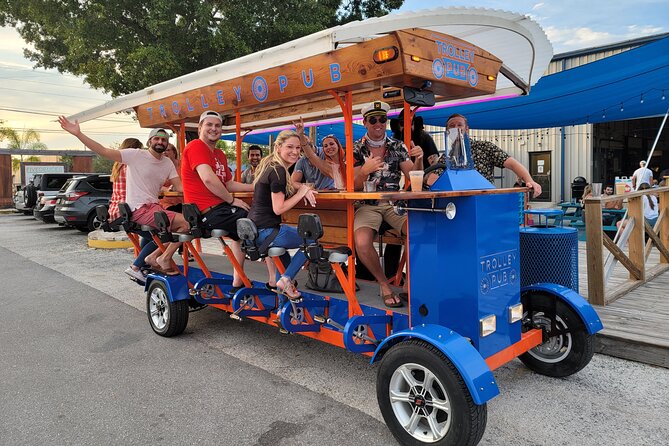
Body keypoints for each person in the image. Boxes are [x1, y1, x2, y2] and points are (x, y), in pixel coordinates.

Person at [59, 117, 189, 274]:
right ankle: (158, 259)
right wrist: (78, 134)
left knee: (168, 228)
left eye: (164, 139)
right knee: (185, 224)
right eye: (157, 138)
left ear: (168, 143)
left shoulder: (167, 163)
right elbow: (104, 151)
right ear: (149, 142)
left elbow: (181, 187)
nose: (160, 142)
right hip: (138, 209)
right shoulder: (135, 155)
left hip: (154, 207)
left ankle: (145, 263)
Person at [353, 100, 423, 308]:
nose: (378, 124)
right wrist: (364, 170)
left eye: (382, 119)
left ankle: (408, 283)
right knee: (363, 243)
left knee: (418, 232)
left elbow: (412, 175)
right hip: (368, 203)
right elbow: (353, 185)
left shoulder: (397, 145)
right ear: (365, 122)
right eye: (373, 120)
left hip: (394, 203)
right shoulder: (356, 148)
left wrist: (418, 159)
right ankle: (384, 284)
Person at [181, 110, 254, 291]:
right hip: (208, 212)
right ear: (200, 128)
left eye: (217, 126)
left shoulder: (219, 154)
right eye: (209, 125)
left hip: (219, 209)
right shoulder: (196, 146)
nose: (214, 129)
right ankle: (275, 279)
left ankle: (238, 281)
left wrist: (256, 187)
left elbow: (228, 183)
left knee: (245, 227)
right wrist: (231, 200)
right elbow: (208, 179)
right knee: (257, 220)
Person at [247, 129, 318, 300]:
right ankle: (285, 280)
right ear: (278, 147)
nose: (295, 152)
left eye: (298, 148)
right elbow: (278, 208)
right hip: (267, 232)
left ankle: (281, 310)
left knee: (284, 266)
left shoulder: (270, 166)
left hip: (256, 232)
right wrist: (302, 192)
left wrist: (302, 187)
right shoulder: (278, 171)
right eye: (290, 147)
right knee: (312, 239)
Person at [427, 114, 543, 198]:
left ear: (467, 129)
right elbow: (431, 181)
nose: (456, 128)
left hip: (485, 200)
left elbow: (513, 164)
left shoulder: (484, 147)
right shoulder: (446, 157)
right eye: (452, 126)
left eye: (459, 125)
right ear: (447, 131)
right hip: (457, 204)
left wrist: (529, 180)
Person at [292, 122, 346, 190]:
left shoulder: (343, 161)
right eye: (325, 146)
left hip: (336, 194)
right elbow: (293, 182)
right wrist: (305, 187)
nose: (329, 148)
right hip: (319, 195)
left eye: (332, 144)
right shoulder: (302, 161)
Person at [159, 143, 183, 213]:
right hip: (168, 204)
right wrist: (167, 189)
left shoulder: (184, 164)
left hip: (186, 201)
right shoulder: (159, 168)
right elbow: (155, 185)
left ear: (174, 152)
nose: (164, 153)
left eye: (167, 150)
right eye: (162, 151)